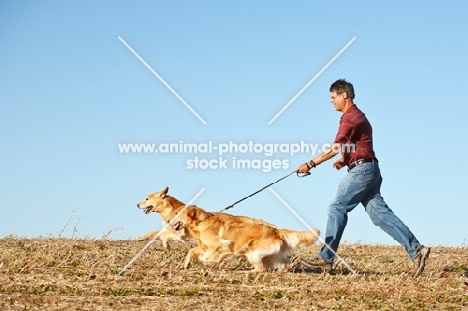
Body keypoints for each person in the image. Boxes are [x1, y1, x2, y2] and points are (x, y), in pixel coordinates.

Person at [295, 79, 430, 277]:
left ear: (344, 96)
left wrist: (310, 164)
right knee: (380, 216)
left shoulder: (349, 118)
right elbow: (357, 145)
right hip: (369, 169)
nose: (331, 101)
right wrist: (345, 159)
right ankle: (417, 250)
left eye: (333, 97)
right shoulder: (358, 116)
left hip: (363, 172)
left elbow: (335, 146)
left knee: (336, 208)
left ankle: (325, 259)